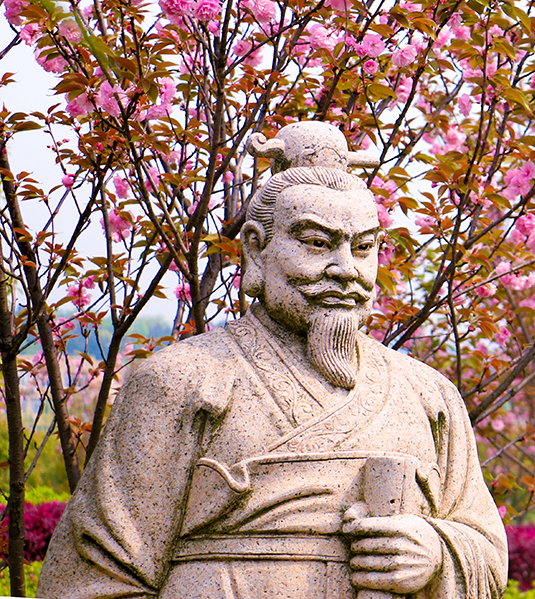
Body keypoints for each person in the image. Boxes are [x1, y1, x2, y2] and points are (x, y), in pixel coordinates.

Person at [41, 121, 507, 599]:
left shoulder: (427, 394)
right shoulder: (181, 380)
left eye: (364, 247)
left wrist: (434, 552)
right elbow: (91, 576)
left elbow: (489, 553)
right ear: (255, 250)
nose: (347, 271)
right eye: (317, 243)